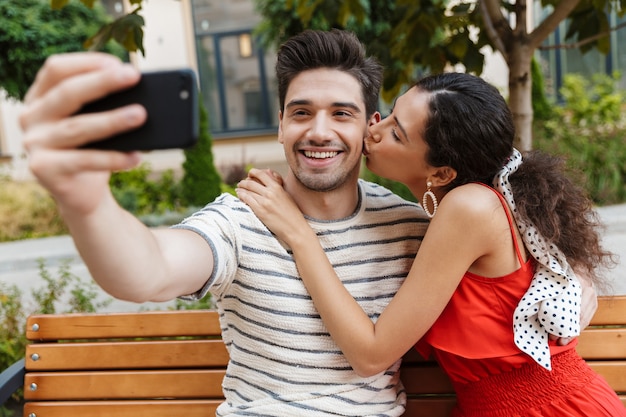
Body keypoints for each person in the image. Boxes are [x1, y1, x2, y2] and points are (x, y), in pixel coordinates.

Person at [20, 29, 431, 416]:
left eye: (342, 113)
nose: (319, 131)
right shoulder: (238, 219)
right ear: (281, 125)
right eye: (301, 112)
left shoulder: (408, 228)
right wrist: (87, 203)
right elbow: (151, 271)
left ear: (369, 127)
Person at [235, 72, 624, 416]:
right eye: (388, 113)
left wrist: (299, 235)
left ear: (440, 173)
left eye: (395, 132)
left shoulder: (469, 206)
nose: (374, 128)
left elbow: (371, 354)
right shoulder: (461, 211)